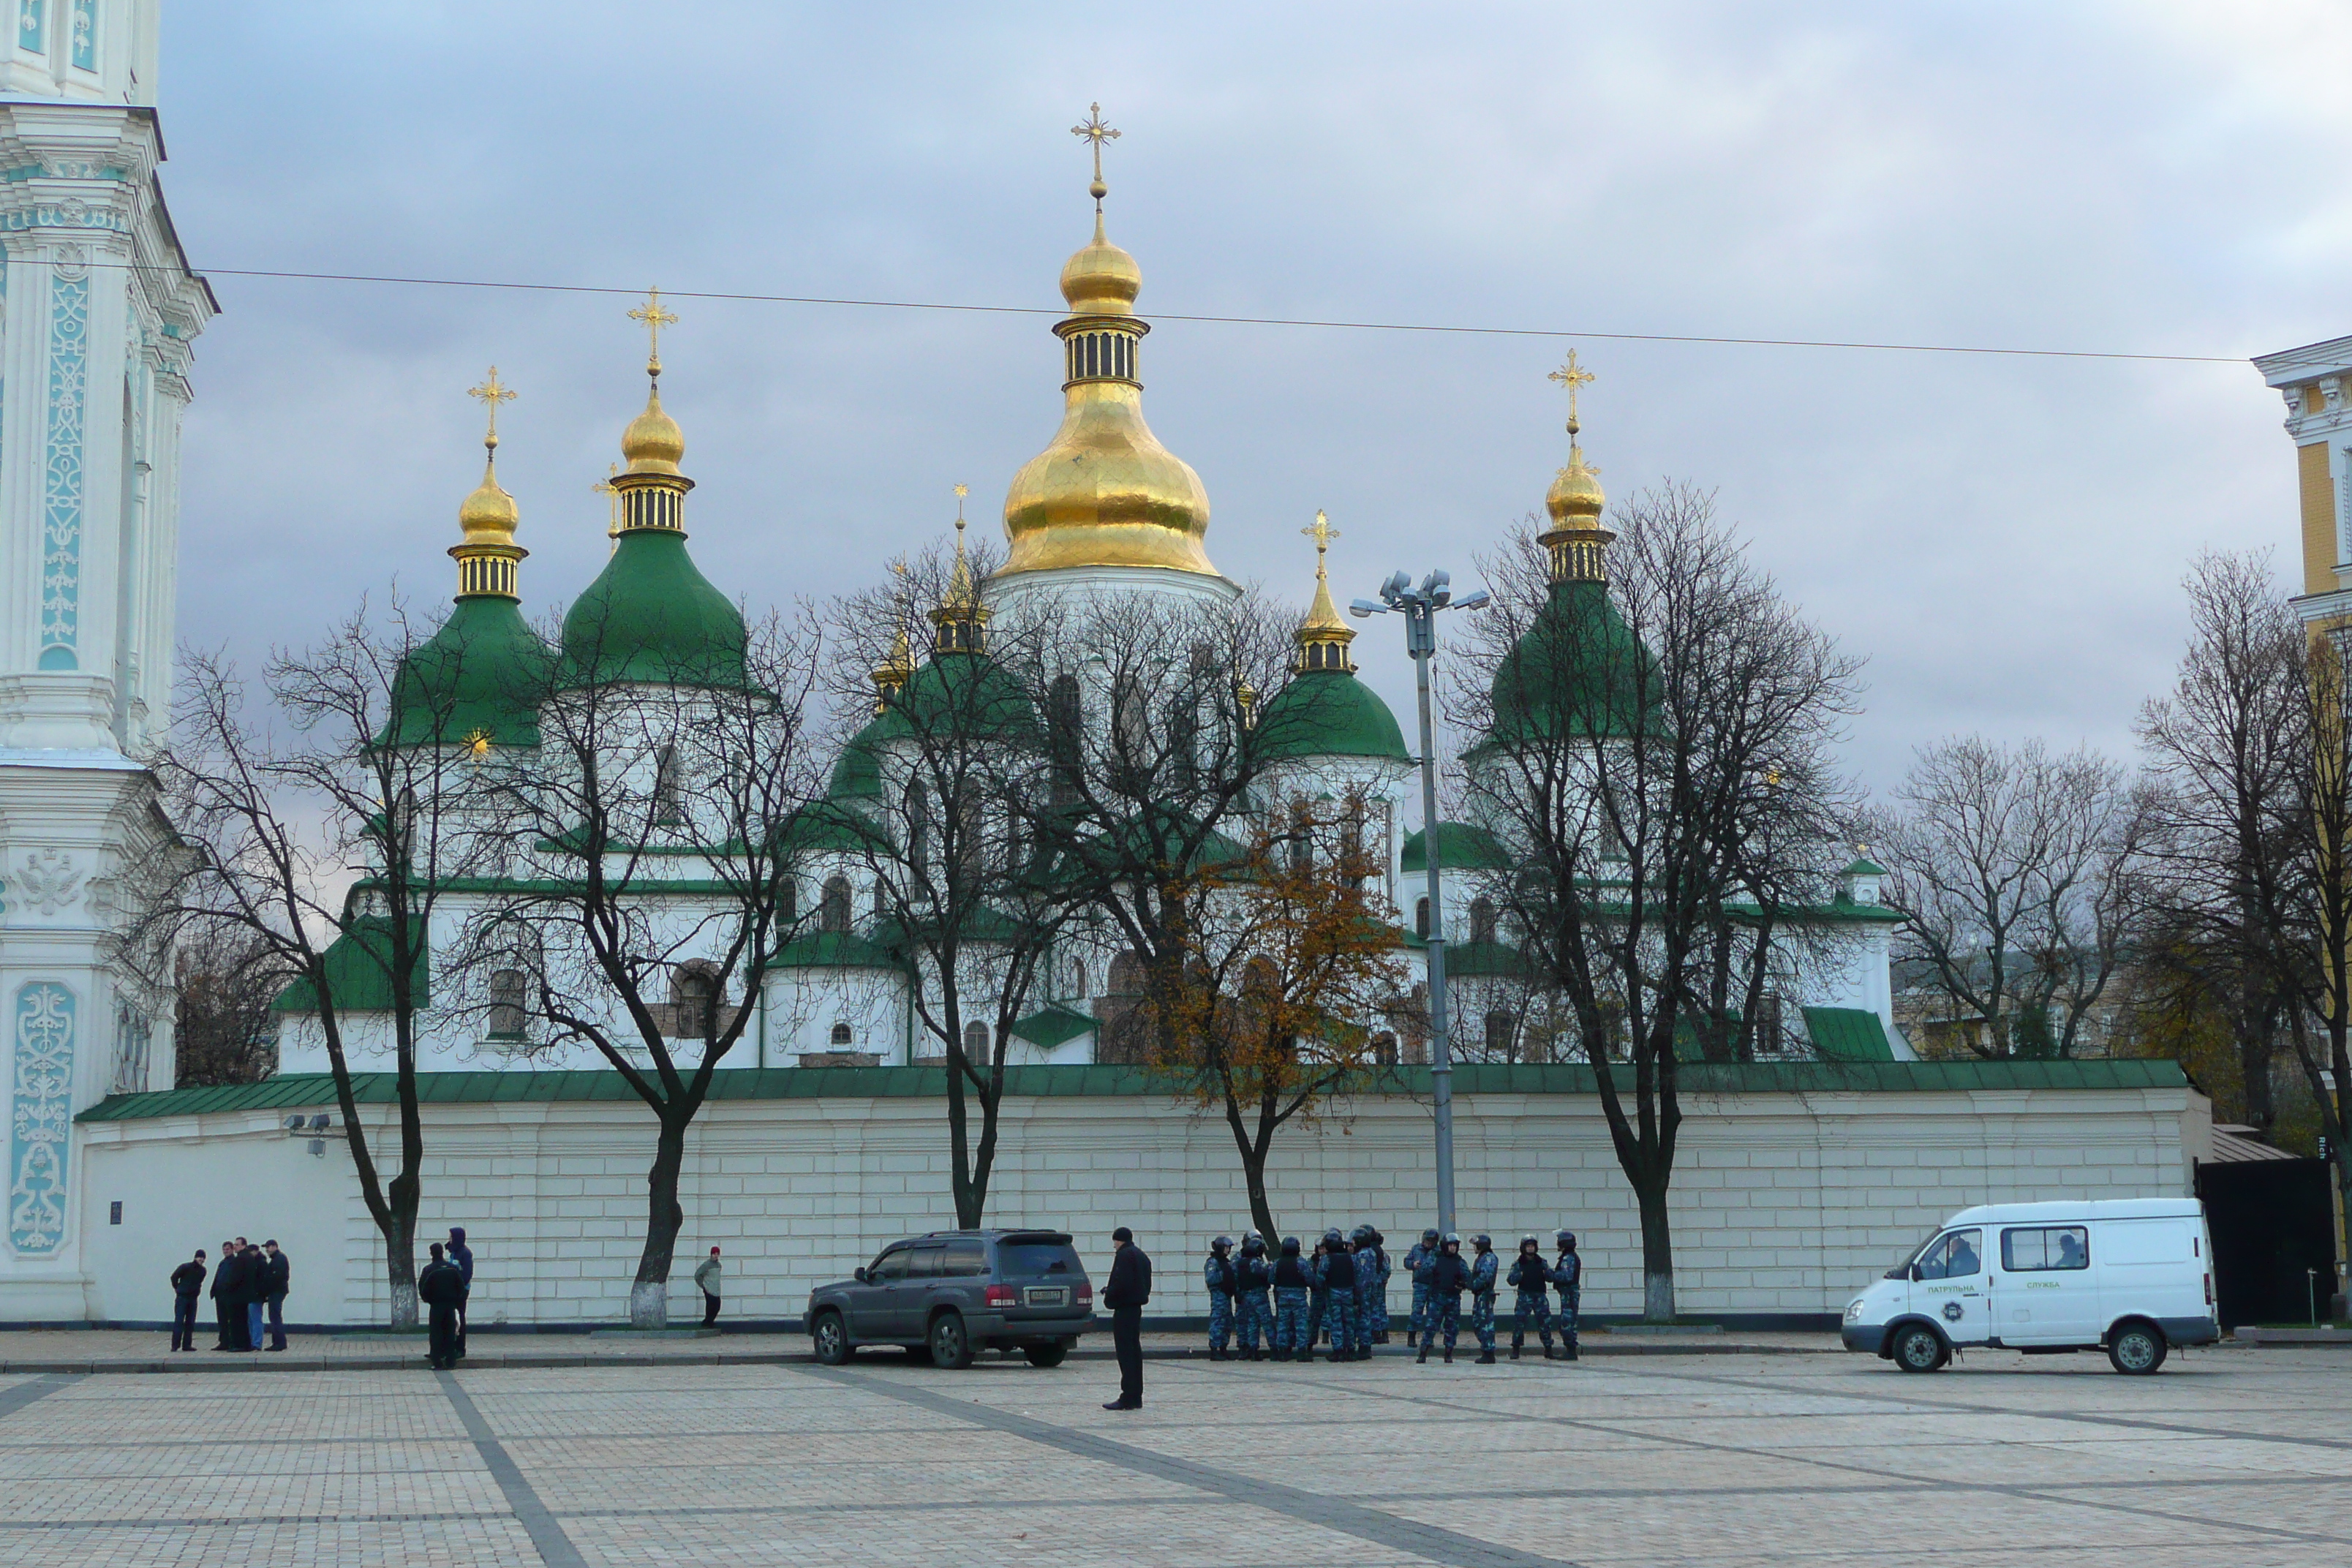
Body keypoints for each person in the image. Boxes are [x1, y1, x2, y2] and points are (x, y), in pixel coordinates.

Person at [1102, 1226, 1150, 1410]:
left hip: (1124, 1309)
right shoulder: (1141, 1255)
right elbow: (1145, 1282)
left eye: (1114, 1242)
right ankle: (1136, 1395)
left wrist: (1109, 1295)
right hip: (1136, 1308)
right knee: (1134, 1352)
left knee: (1125, 1354)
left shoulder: (1123, 1256)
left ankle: (1128, 1396)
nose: (1114, 1246)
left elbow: (1120, 1282)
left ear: (1118, 1240)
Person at [1417, 1233, 1469, 1363]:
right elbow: (1423, 1272)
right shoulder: (1435, 1258)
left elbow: (1468, 1277)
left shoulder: (1460, 1261)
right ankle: (1423, 1352)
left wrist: (1463, 1284)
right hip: (1437, 1297)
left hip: (1453, 1298)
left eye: (1455, 1246)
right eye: (1450, 1245)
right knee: (1431, 1326)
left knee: (1452, 1326)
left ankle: (1449, 1352)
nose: (1453, 1248)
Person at [1507, 1235, 1556, 1360]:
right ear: (1523, 1248)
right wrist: (1520, 1275)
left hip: (1540, 1296)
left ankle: (1548, 1349)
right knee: (1519, 1323)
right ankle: (1516, 1349)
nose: (1530, 1248)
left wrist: (1548, 1273)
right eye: (1528, 1246)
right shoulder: (1518, 1264)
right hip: (1525, 1296)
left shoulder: (1542, 1262)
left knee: (1545, 1323)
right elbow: (1511, 1280)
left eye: (1532, 1246)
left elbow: (1551, 1278)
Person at [418, 1242, 464, 1369]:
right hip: (450, 1306)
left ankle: (437, 1361)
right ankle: (450, 1361)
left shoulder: (429, 1269)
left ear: (431, 1253)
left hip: (436, 1306)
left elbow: (422, 1288)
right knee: (450, 1333)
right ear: (442, 1252)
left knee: (436, 1333)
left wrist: (429, 1300)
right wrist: (455, 1299)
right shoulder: (452, 1268)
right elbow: (461, 1286)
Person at [1314, 1227, 1358, 1362]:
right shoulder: (1350, 1257)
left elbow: (1320, 1277)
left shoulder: (1327, 1259)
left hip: (1333, 1292)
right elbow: (1356, 1275)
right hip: (1348, 1292)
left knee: (1336, 1321)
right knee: (1349, 1321)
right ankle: (1350, 1350)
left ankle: (1338, 1350)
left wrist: (1320, 1289)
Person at [1270, 1235, 1312, 1360]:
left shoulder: (1278, 1262)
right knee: (1301, 1324)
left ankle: (1283, 1351)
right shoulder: (1301, 1262)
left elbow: (1271, 1278)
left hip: (1283, 1297)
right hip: (1299, 1296)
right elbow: (1309, 1278)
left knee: (1283, 1324)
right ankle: (1302, 1352)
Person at [1234, 1233, 1271, 1360]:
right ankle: (1248, 1348)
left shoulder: (1242, 1259)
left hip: (1245, 1295)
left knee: (1251, 1324)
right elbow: (1266, 1274)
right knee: (1263, 1323)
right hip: (1254, 1295)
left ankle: (1250, 1349)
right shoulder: (1255, 1262)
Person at [1466, 1234, 1500, 1364]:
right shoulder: (1482, 1258)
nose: (1474, 1247)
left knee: (1485, 1323)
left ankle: (1488, 1352)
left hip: (1484, 1295)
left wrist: (1471, 1285)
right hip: (1480, 1295)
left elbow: (1485, 1278)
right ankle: (1486, 1349)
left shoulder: (1489, 1259)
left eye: (1476, 1245)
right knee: (1478, 1322)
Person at [1202, 1236, 1237, 1359]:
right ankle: (1214, 1349)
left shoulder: (1226, 1262)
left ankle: (1223, 1347)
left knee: (1227, 1323)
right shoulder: (1213, 1262)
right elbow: (1211, 1279)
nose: (1228, 1250)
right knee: (1217, 1322)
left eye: (1229, 1248)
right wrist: (1224, 1275)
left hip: (1227, 1296)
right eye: (1226, 1247)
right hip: (1218, 1296)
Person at [1403, 1228, 1439, 1345]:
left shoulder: (1438, 1251)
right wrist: (1413, 1264)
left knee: (1432, 1313)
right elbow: (1407, 1262)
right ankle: (1411, 1335)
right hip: (1420, 1284)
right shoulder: (1417, 1249)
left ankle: (1429, 1338)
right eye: (1426, 1241)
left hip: (1434, 1285)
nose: (1427, 1243)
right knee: (1417, 1311)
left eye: (1430, 1241)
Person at [1350, 1226, 1382, 1359]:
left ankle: (1364, 1347)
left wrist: (1357, 1294)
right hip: (1369, 1291)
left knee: (1363, 1319)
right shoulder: (1370, 1253)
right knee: (1365, 1318)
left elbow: (1362, 1276)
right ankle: (1365, 1345)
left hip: (1364, 1292)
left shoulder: (1364, 1255)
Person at [170, 1249, 207, 1352]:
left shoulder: (203, 1271)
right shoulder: (185, 1267)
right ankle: (175, 1345)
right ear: (195, 1257)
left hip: (193, 1298)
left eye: (203, 1258)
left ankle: (187, 1345)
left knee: (190, 1322)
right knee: (179, 1321)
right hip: (182, 1297)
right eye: (200, 1257)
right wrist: (178, 1289)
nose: (201, 1260)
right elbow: (174, 1277)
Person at [1553, 1230, 1582, 1362]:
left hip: (1569, 1295)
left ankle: (1571, 1351)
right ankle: (1570, 1350)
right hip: (1567, 1294)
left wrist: (1551, 1274)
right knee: (1567, 1321)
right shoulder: (1569, 1256)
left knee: (1567, 1323)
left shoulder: (1568, 1258)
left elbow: (1566, 1276)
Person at [447, 1227, 475, 1360]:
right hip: (452, 1290)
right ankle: (450, 1347)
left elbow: (467, 1274)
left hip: (461, 1291)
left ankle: (460, 1348)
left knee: (459, 1319)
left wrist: (459, 1287)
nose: (449, 1240)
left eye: (451, 1237)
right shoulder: (454, 1252)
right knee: (452, 1319)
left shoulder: (465, 1253)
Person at [208, 1237, 240, 1350]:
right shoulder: (222, 1263)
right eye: (224, 1250)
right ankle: (223, 1342)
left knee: (230, 1320)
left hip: (229, 1296)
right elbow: (217, 1278)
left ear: (232, 1249)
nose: (226, 1251)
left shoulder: (234, 1262)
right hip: (219, 1296)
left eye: (228, 1249)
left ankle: (231, 1342)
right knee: (221, 1320)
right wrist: (213, 1290)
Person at [261, 1240, 291, 1352]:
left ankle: (279, 1343)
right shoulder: (277, 1259)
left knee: (275, 1317)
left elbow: (277, 1277)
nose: (267, 1250)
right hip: (277, 1291)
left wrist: (267, 1288)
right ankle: (280, 1342)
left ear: (275, 1247)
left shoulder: (279, 1259)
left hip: (277, 1292)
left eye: (268, 1247)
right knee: (275, 1317)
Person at [694, 1245, 723, 1327]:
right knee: (710, 1307)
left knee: (717, 1306)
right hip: (708, 1289)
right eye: (714, 1254)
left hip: (716, 1289)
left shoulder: (719, 1265)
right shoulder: (706, 1265)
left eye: (717, 1254)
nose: (716, 1256)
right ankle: (707, 1323)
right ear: (711, 1254)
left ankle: (710, 1321)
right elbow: (697, 1275)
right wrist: (703, 1285)